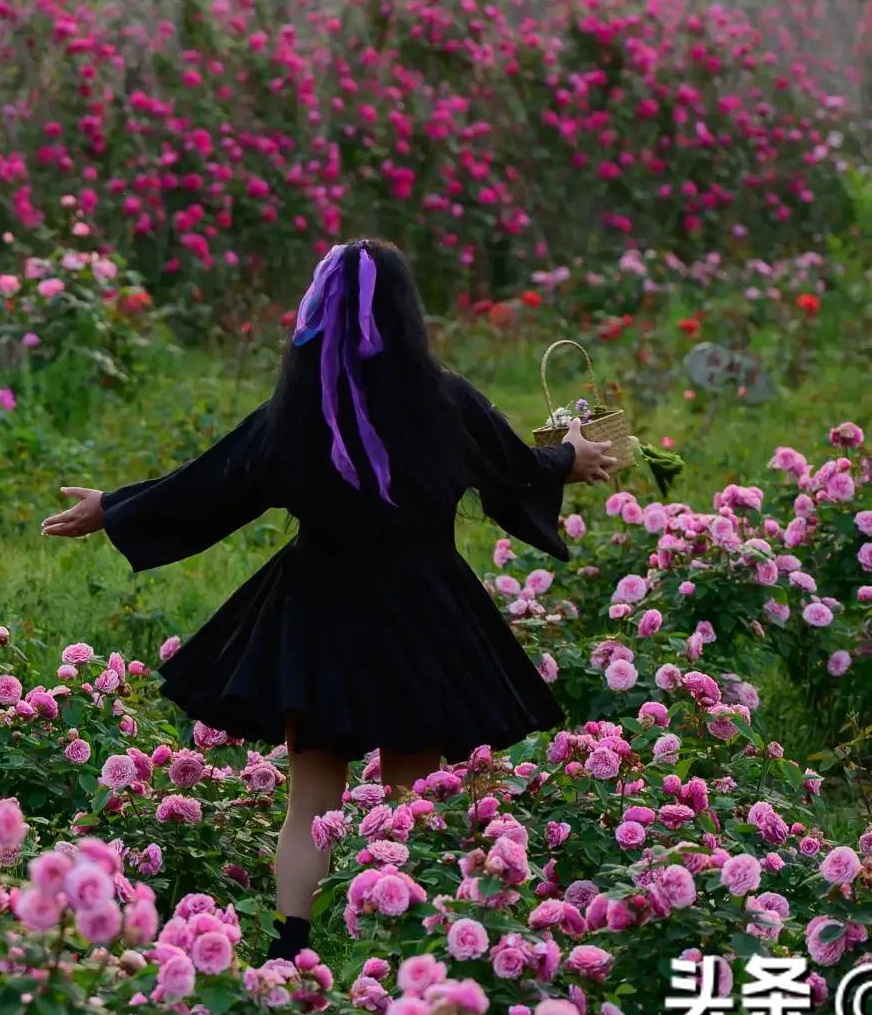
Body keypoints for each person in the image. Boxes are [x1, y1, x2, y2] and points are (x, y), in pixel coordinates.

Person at [41, 237, 620, 963]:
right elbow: (515, 468)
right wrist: (573, 458)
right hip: (426, 613)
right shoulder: (445, 399)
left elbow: (212, 485)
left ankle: (291, 949)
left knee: (309, 803)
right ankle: (416, 950)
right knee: (413, 798)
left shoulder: (297, 411)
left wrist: (116, 507)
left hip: (318, 615)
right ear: (408, 313)